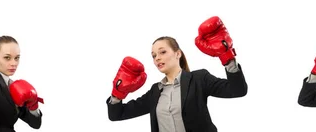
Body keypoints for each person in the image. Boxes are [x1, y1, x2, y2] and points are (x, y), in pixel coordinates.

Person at [106, 16, 248, 132]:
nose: (157, 58)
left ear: (177, 54)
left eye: (162, 52)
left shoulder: (199, 79)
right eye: (154, 55)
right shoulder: (155, 91)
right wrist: (117, 94)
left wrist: (227, 57)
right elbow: (117, 115)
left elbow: (237, 90)